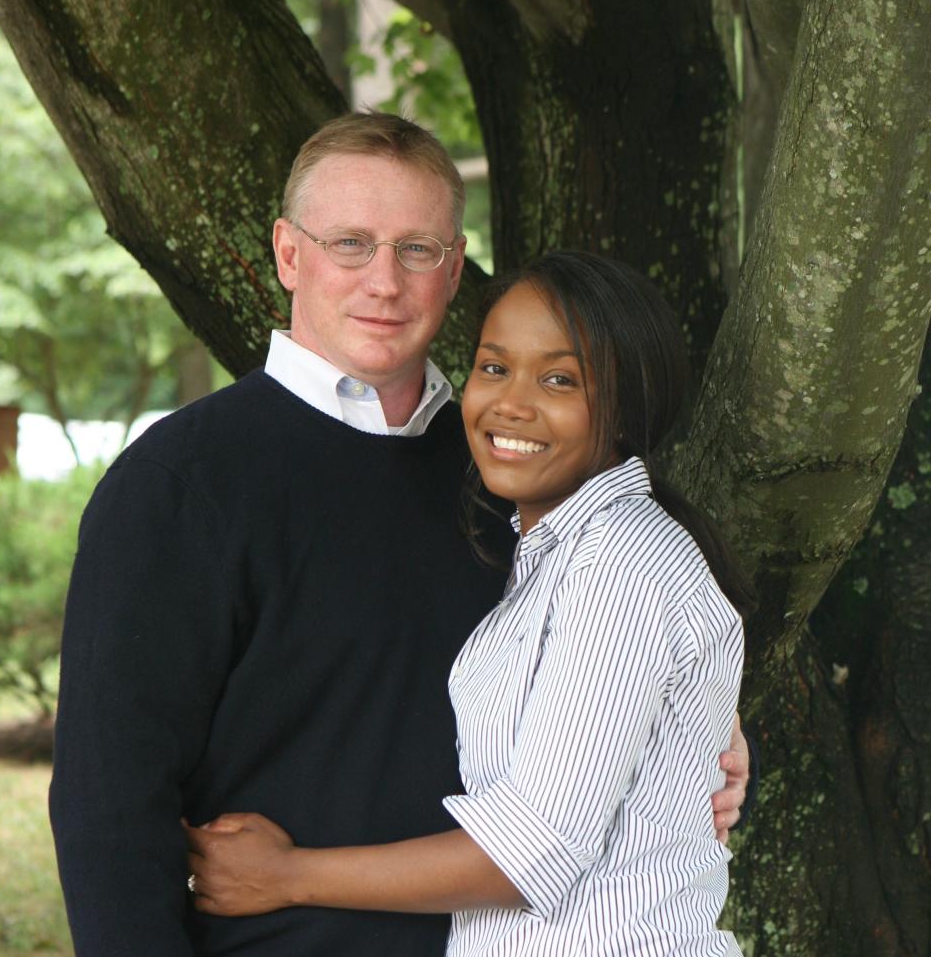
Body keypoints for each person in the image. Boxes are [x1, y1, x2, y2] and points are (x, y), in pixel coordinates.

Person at [50, 113, 752, 957]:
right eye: (350, 242)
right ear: (288, 254)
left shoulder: (506, 473)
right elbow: (108, 808)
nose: (384, 281)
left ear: (454, 268)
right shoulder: (179, 485)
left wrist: (700, 725)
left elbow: (599, 670)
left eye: (416, 249)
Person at [184, 251, 751, 955]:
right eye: (493, 366)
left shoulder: (620, 560)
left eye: (559, 378)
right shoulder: (547, 553)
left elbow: (529, 852)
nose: (511, 402)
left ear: (627, 407)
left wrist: (286, 876)